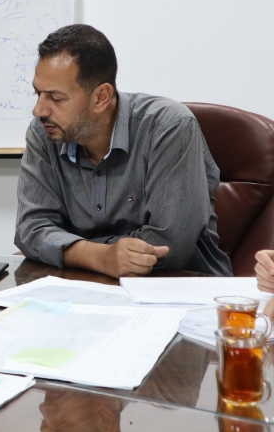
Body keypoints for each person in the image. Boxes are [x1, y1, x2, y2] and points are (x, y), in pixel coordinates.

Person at [14, 24, 232, 278]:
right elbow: (30, 230)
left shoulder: (169, 127)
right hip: (86, 285)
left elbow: (170, 247)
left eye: (56, 98)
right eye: (37, 93)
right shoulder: (44, 133)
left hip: (182, 286)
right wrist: (100, 257)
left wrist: (68, 248)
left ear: (101, 97)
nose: (39, 110)